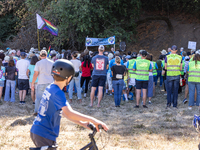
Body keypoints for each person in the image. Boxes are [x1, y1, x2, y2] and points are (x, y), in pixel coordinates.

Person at [30, 59, 108, 149]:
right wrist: (93, 120)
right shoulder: (58, 92)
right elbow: (69, 113)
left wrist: (82, 123)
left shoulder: (51, 88)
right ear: (69, 78)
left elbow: (63, 112)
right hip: (44, 134)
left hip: (39, 131)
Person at [31, 50, 54, 116]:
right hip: (50, 81)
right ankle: (49, 111)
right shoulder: (52, 62)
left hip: (41, 82)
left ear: (40, 56)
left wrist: (32, 83)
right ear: (46, 55)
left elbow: (35, 74)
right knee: (49, 98)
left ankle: (37, 111)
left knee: (38, 98)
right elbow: (54, 73)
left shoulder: (38, 63)